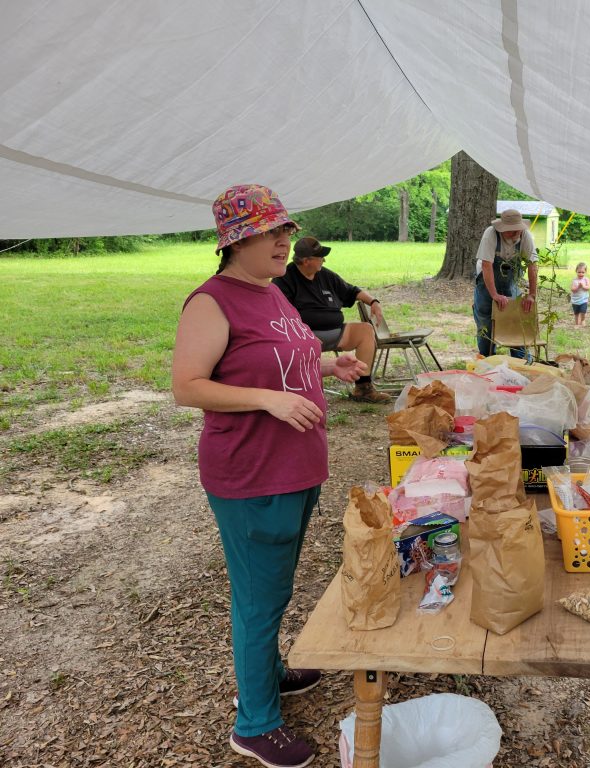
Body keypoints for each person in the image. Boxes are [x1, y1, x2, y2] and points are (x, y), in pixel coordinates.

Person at [172, 184, 367, 768]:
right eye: (271, 232)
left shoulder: (272, 293)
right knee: (259, 597)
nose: (285, 240)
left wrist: (330, 364)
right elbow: (187, 386)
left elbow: (286, 358)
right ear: (237, 240)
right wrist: (268, 400)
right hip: (253, 473)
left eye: (285, 230)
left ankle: (271, 674)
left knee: (274, 588)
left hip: (296, 468)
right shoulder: (212, 301)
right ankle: (254, 722)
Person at [272, 236, 390, 403]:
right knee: (305, 341)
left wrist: (373, 302)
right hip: (304, 336)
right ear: (306, 261)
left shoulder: (325, 275)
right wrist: (303, 334)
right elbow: (280, 315)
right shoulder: (285, 279)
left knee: (365, 330)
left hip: (336, 332)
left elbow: (352, 291)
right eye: (320, 257)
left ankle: (363, 387)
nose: (324, 260)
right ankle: (307, 391)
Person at [472, 209, 539, 358]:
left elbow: (532, 265)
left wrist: (532, 295)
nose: (516, 234)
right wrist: (494, 295)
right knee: (485, 322)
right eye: (511, 231)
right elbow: (486, 265)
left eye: (518, 230)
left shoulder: (525, 235)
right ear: (502, 229)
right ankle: (487, 360)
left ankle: (521, 361)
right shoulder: (490, 234)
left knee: (515, 318)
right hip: (486, 282)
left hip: (510, 282)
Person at [570, 261, 590, 327]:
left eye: (583, 272)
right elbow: (572, 290)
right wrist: (578, 287)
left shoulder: (586, 279)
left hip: (583, 300)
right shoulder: (574, 280)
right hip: (575, 301)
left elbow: (588, 288)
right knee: (576, 313)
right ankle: (576, 323)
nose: (581, 274)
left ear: (585, 272)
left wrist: (583, 286)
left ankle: (583, 320)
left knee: (583, 311)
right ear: (576, 271)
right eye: (579, 272)